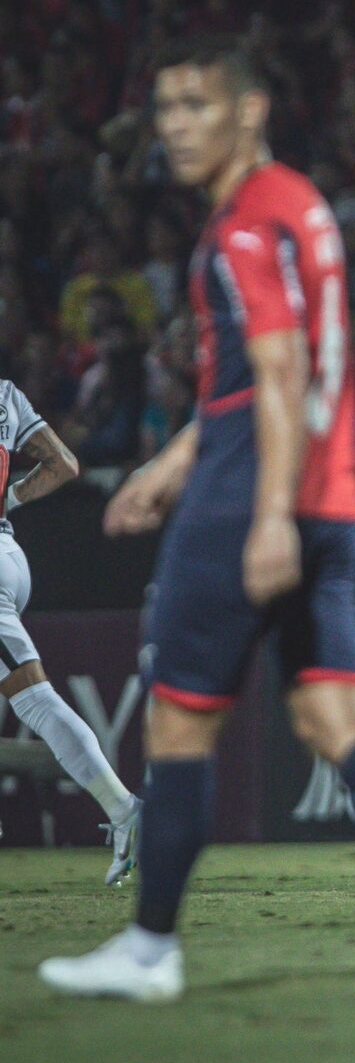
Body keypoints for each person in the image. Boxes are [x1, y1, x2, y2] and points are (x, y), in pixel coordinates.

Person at [39, 37, 355, 1005]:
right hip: (334, 499)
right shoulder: (302, 210)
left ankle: (151, 948)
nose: (176, 127)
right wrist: (170, 461)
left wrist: (264, 514)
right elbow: (255, 381)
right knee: (333, 716)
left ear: (250, 110)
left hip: (252, 504)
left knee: (178, 721)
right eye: (164, 109)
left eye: (195, 104)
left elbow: (276, 375)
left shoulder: (239, 229)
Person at [0, 377, 143, 884]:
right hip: (11, 556)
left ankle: (124, 809)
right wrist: (8, 501)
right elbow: (64, 464)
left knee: (34, 699)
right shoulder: (6, 392)